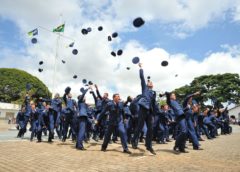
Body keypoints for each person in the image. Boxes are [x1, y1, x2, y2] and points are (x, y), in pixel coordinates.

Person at [131, 63, 157, 155]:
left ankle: (149, 146)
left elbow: (154, 104)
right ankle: (133, 140)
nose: (150, 82)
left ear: (152, 85)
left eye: (151, 82)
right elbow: (142, 77)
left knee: (150, 129)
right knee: (139, 127)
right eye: (149, 82)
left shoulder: (154, 93)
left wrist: (154, 114)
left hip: (149, 111)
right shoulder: (144, 88)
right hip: (143, 109)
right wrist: (141, 68)